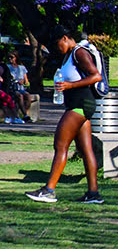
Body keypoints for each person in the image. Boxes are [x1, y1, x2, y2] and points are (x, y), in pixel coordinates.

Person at [26, 26, 103, 204]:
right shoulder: (69, 55)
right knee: (86, 149)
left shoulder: (79, 53)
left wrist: (69, 86)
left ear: (66, 38)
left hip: (80, 104)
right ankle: (93, 194)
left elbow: (96, 76)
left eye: (57, 42)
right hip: (81, 105)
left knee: (60, 145)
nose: (56, 46)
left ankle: (49, 190)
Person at [6, 50, 33, 122]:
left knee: (27, 95)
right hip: (12, 88)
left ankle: (24, 113)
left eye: (12, 57)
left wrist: (23, 81)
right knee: (19, 96)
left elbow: (26, 81)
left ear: (16, 58)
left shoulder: (22, 68)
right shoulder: (7, 67)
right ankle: (25, 116)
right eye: (9, 58)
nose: (10, 59)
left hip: (20, 87)